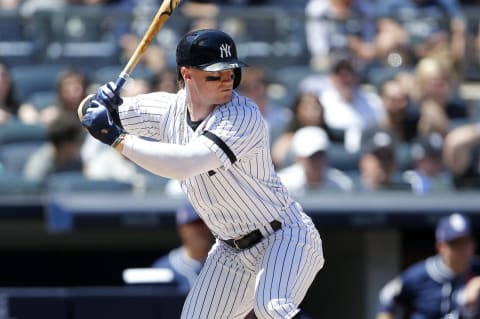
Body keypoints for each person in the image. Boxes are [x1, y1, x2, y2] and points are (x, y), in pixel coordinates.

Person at [79, 28, 324, 319]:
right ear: (187, 74)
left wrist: (119, 140)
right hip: (230, 249)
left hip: (283, 234)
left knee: (273, 308)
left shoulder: (242, 115)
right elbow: (90, 114)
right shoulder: (166, 109)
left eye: (230, 72)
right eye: (214, 74)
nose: (226, 81)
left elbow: (185, 163)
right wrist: (95, 103)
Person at [376, 213, 480, 319]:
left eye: (466, 242)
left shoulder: (477, 270)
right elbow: (388, 296)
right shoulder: (420, 274)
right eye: (455, 244)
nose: (462, 249)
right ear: (440, 247)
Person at [150, 203, 214, 293]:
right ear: (182, 229)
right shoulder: (163, 268)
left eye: (205, 222)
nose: (202, 229)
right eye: (196, 223)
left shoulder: (226, 263)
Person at [277, 126, 353, 195]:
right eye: (310, 157)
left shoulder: (342, 184)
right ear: (298, 158)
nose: (316, 161)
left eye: (320, 155)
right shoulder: (282, 185)